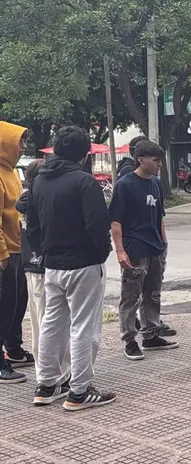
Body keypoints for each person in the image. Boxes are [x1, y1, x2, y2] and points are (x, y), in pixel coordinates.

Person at [25, 126, 116, 410]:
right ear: (84, 153)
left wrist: (45, 251)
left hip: (52, 264)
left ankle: (46, 384)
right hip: (84, 263)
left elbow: (33, 226)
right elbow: (97, 226)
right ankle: (79, 390)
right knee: (83, 326)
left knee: (52, 324)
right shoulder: (83, 181)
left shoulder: (39, 181)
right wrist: (100, 254)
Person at [109, 140, 177, 361]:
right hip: (134, 248)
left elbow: (160, 215)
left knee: (153, 294)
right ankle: (129, 339)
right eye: (156, 160)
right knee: (131, 297)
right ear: (141, 159)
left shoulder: (156, 184)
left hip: (155, 247)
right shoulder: (125, 184)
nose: (160, 164)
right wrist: (120, 251)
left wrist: (164, 242)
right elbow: (115, 221)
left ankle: (151, 334)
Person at [17, 160, 62, 379]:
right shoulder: (34, 197)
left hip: (35, 265)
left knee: (42, 319)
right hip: (39, 266)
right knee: (45, 320)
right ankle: (48, 373)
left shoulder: (31, 196)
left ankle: (47, 370)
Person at [0, 122, 29, 383]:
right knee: (4, 307)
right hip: (5, 254)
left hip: (19, 248)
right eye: (19, 142)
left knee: (18, 303)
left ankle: (14, 348)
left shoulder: (11, 172)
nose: (22, 147)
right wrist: (2, 254)